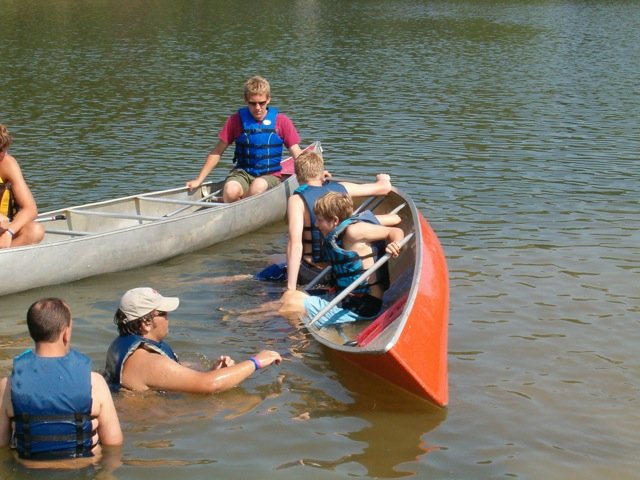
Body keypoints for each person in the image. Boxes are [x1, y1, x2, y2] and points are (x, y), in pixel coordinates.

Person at [0, 298, 123, 461]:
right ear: (66, 333)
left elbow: (1, 444)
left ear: (31, 332)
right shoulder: (95, 382)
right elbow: (114, 443)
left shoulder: (7, 386)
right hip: (82, 468)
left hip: (30, 470)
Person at [104, 287, 282, 393]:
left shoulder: (124, 345)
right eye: (164, 313)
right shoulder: (148, 361)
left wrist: (211, 370)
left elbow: (178, 372)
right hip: (151, 428)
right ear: (146, 324)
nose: (169, 317)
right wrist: (256, 362)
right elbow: (210, 385)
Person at [281, 191, 404, 329]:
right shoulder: (336, 235)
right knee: (287, 297)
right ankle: (253, 318)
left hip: (363, 305)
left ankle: (295, 347)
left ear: (335, 220)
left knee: (291, 302)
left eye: (320, 220)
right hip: (343, 296)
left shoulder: (354, 231)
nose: (316, 224)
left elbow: (394, 232)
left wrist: (396, 243)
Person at [284, 150, 394, 291]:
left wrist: (290, 288)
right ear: (321, 172)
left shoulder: (296, 200)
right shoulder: (341, 189)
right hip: (337, 270)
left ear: (298, 176)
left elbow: (295, 244)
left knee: (274, 262)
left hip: (310, 272)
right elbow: (384, 188)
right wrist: (383, 179)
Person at [186, 76, 302, 203]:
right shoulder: (235, 121)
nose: (258, 108)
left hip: (270, 176)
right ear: (246, 100)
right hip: (243, 173)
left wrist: (316, 175)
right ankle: (231, 201)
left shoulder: (282, 121)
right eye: (253, 103)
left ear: (268, 99)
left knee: (258, 186)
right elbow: (217, 152)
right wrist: (199, 179)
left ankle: (230, 203)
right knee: (230, 191)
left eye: (261, 103)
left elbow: (298, 155)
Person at [0, 124, 45, 248]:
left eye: (2, 150)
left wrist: (9, 232)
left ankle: (5, 255)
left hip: (2, 229)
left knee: (35, 231)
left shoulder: (7, 163)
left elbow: (30, 209)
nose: (2, 155)